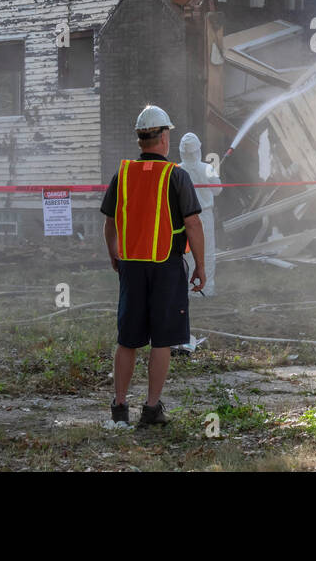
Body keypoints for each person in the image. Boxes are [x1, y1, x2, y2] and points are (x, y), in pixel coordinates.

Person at [100, 104, 205, 428]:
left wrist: (114, 253)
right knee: (162, 340)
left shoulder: (123, 174)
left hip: (131, 267)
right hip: (165, 268)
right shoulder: (176, 176)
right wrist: (201, 266)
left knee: (128, 339)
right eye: (168, 133)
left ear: (141, 139)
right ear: (162, 138)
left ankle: (119, 408)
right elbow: (193, 224)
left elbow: (110, 222)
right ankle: (151, 409)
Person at [177, 132, 220, 297]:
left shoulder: (177, 169)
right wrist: (213, 177)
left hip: (183, 218)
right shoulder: (207, 168)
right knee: (206, 252)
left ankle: (187, 291)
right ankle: (205, 290)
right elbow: (218, 190)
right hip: (204, 217)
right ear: (198, 150)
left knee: (186, 254)